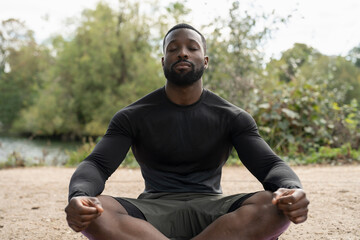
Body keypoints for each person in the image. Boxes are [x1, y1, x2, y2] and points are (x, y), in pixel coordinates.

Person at [65, 23, 309, 240]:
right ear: (163, 62)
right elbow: (96, 164)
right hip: (152, 211)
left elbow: (270, 166)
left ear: (205, 61)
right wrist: (79, 195)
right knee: (94, 212)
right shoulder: (132, 116)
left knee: (275, 206)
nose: (182, 52)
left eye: (192, 47)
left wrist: (292, 188)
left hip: (215, 210)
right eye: (173, 49)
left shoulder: (232, 116)